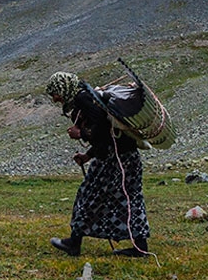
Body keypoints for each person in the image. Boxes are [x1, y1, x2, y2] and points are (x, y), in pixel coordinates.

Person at [45, 71, 150, 257]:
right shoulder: (89, 96)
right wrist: (87, 155)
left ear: (63, 88)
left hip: (114, 160)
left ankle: (74, 243)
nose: (55, 99)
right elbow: (106, 129)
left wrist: (82, 134)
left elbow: (102, 130)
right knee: (129, 198)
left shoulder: (84, 99)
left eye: (55, 93)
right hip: (126, 156)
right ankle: (140, 246)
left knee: (89, 196)